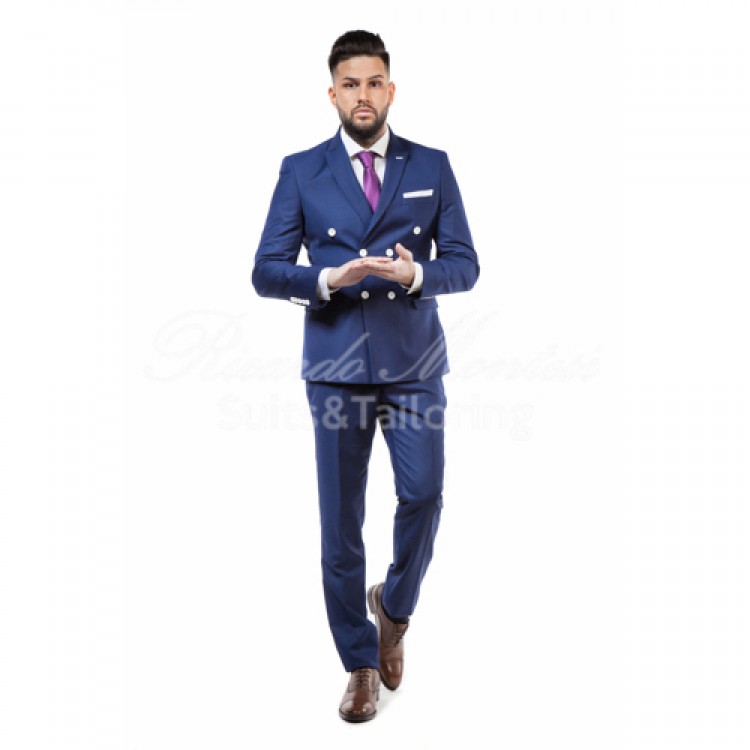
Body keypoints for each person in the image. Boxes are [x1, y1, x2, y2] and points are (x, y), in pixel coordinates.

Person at [252, 30, 479, 722]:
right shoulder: (302, 169)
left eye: (374, 82)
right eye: (350, 84)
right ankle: (358, 662)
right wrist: (327, 279)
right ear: (332, 93)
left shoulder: (431, 164)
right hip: (336, 366)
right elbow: (265, 270)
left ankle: (394, 608)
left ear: (390, 89)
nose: (363, 95)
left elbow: (465, 264)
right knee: (341, 522)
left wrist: (416, 274)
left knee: (425, 495)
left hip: (414, 364)